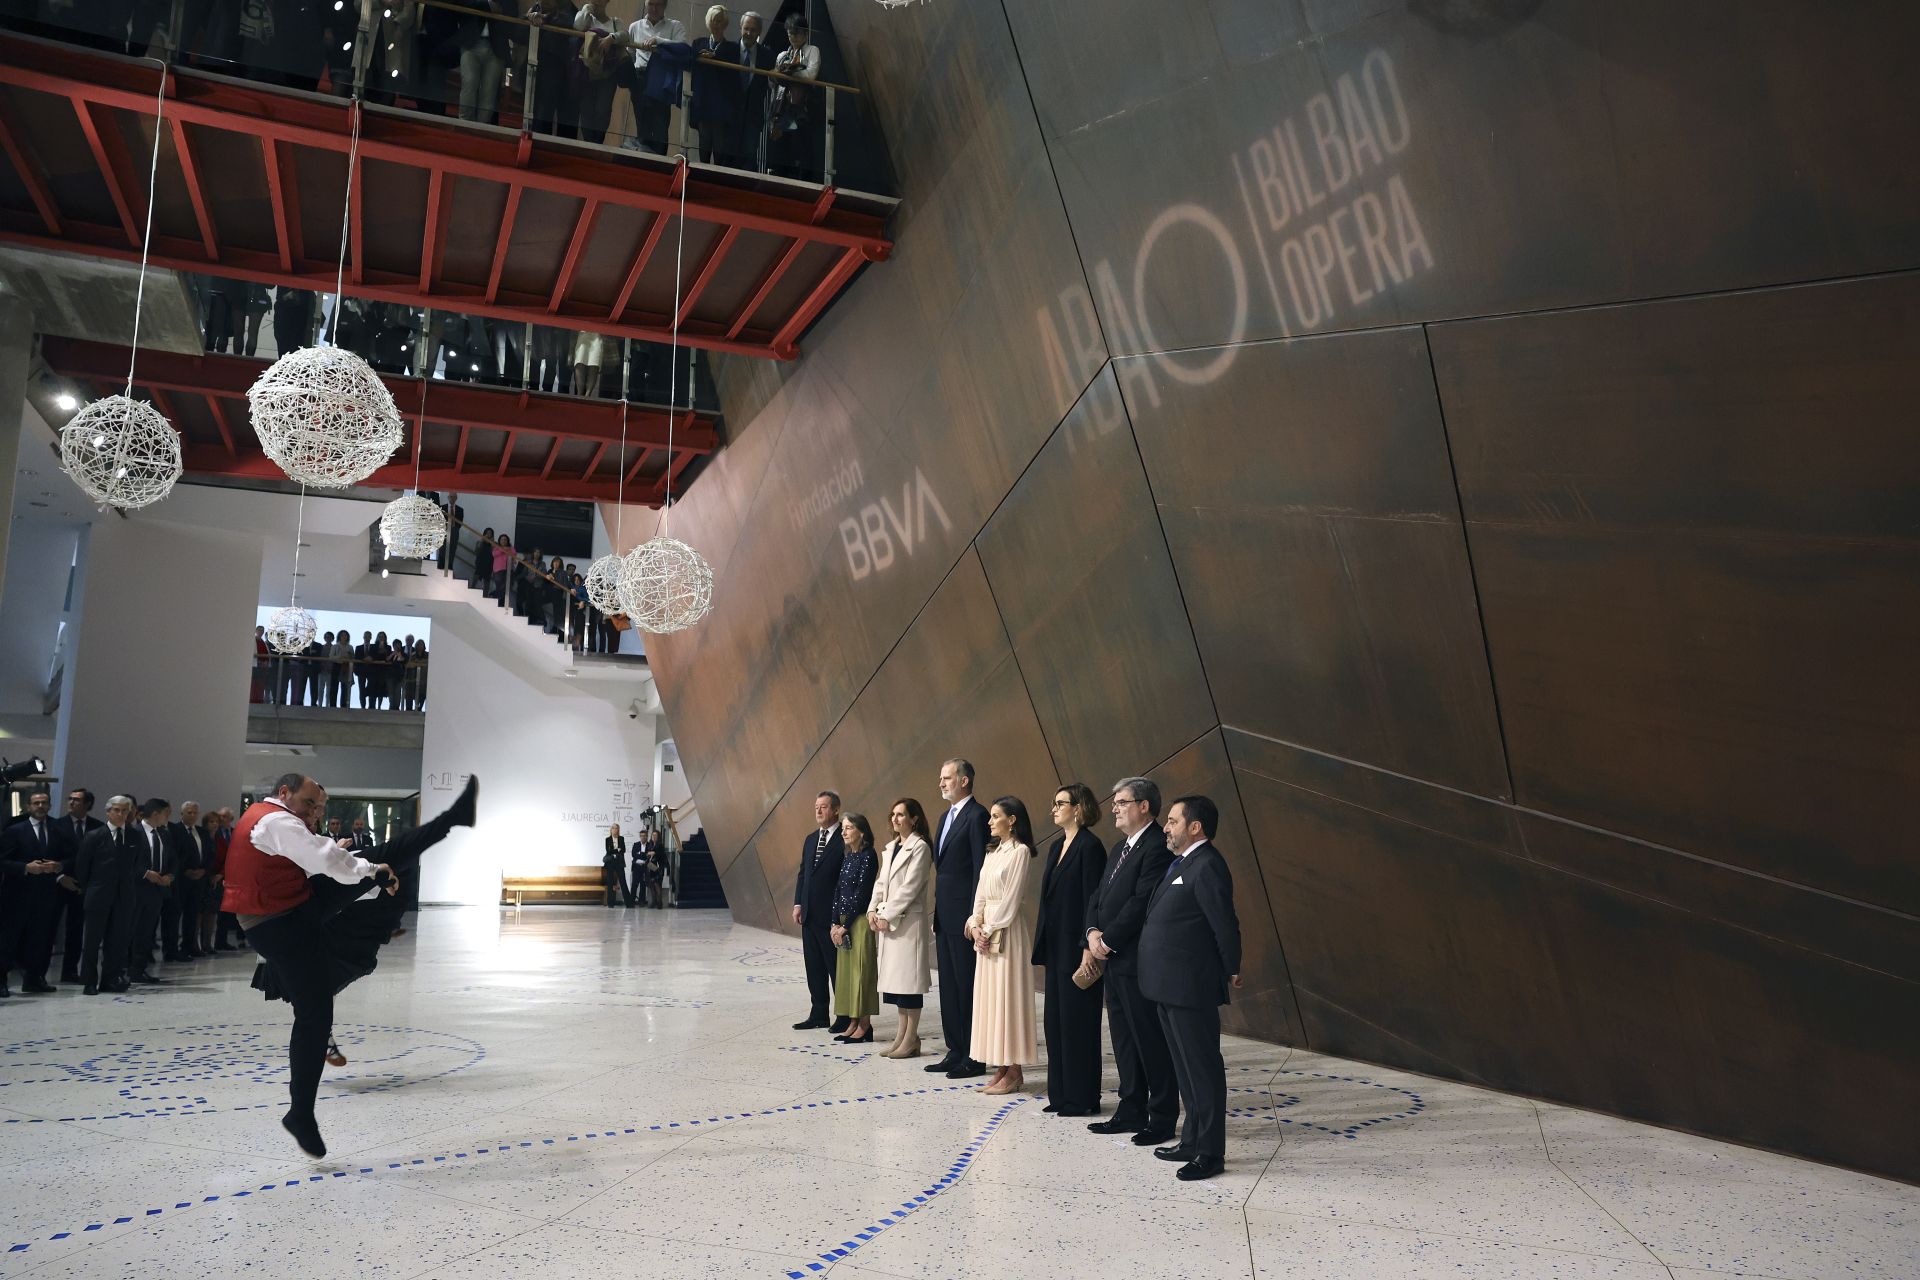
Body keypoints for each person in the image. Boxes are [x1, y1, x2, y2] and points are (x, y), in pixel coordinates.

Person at [224, 770, 479, 1158]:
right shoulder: (275, 820)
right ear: (284, 792)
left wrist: (366, 866)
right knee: (314, 1015)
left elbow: (313, 857)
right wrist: (367, 872)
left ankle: (450, 820)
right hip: (277, 923)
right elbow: (323, 858)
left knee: (383, 856)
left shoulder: (276, 821)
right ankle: (300, 1113)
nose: (314, 812)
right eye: (310, 804)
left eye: (320, 807)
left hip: (295, 906)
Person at [1139, 795, 1242, 1182]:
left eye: (1173, 821)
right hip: (1167, 984)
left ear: (1194, 827)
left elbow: (1224, 924)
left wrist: (1231, 967)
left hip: (1190, 985)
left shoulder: (1209, 865)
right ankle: (1191, 1139)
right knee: (1184, 1068)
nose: (1166, 827)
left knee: (1203, 1069)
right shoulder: (1183, 863)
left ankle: (1210, 1152)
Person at [1084, 776, 1180, 1145]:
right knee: (1124, 1039)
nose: (1114, 808)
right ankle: (1131, 1108)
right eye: (1115, 803)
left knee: (1149, 1040)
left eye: (1122, 802)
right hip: (1112, 957)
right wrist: (1093, 932)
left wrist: (1107, 939)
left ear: (1144, 806)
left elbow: (1140, 902)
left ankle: (1162, 1116)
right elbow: (1099, 895)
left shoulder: (1156, 847)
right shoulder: (1119, 848)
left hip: (1136, 959)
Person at [1034, 783, 1108, 1116]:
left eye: (1060, 803)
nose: (1054, 808)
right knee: (1056, 1023)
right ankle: (1061, 1095)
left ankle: (1082, 1098)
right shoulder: (1055, 846)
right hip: (1056, 948)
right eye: (1054, 802)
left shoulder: (1090, 847)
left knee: (1079, 1024)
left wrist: (1087, 949)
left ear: (1078, 808)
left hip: (1078, 948)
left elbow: (1093, 901)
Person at [965, 796, 1039, 1096]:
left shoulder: (1020, 852)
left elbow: (1011, 900)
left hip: (1007, 933)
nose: (990, 821)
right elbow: (981, 894)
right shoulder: (992, 852)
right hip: (986, 933)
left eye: (996, 816)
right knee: (991, 1000)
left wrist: (990, 929)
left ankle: (1015, 1069)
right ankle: (1001, 1066)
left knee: (1008, 998)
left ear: (1012, 820)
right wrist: (975, 924)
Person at [926, 758, 989, 1078]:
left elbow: (980, 870)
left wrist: (975, 916)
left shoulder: (978, 816)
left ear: (964, 781)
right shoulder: (944, 817)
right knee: (949, 986)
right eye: (941, 778)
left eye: (947, 777)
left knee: (966, 986)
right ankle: (955, 1048)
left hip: (965, 917)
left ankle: (974, 1055)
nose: (941, 783)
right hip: (945, 916)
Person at [867, 798, 932, 1058]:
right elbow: (881, 884)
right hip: (889, 922)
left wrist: (886, 914)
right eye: (893, 814)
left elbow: (910, 888)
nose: (895, 819)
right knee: (897, 985)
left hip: (907, 924)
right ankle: (902, 1035)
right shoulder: (891, 847)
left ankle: (911, 1037)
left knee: (909, 984)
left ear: (914, 819)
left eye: (901, 815)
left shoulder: (920, 847)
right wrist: (873, 909)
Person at [0, 790, 76, 995]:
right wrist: (25, 867)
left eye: (44, 803)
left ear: (50, 806)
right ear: (28, 806)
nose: (40, 806)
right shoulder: (15, 830)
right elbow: (3, 861)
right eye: (36, 803)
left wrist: (59, 866)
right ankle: (1, 981)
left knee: (41, 938)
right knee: (9, 939)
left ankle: (35, 979)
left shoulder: (58, 829)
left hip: (47, 894)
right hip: (17, 895)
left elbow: (71, 857)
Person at [72, 795, 140, 994]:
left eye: (124, 811)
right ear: (108, 812)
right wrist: (92, 887)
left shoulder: (134, 836)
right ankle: (89, 981)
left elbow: (135, 865)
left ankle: (110, 979)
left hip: (124, 897)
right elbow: (82, 867)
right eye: (116, 810)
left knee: (117, 941)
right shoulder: (94, 835)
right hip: (98, 895)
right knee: (92, 942)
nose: (120, 814)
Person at [790, 789, 845, 1031]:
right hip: (810, 915)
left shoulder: (845, 838)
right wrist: (798, 903)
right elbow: (804, 874)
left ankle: (843, 1015)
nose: (819, 811)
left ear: (835, 809)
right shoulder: (811, 839)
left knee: (835, 967)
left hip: (832, 917)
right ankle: (819, 1013)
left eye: (823, 807)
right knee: (814, 967)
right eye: (816, 807)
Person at [829, 811, 879, 1044]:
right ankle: (852, 1021)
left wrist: (845, 925)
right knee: (847, 975)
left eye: (848, 828)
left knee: (861, 973)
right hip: (843, 922)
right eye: (843, 828)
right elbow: (839, 890)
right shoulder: (848, 856)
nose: (844, 832)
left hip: (858, 922)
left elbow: (862, 894)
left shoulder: (869, 856)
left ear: (861, 831)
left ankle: (865, 1025)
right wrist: (834, 922)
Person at [126, 798, 177, 985]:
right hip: (137, 890)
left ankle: (138, 970)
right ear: (156, 814)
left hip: (156, 892)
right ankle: (121, 967)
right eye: (166, 813)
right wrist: (146, 873)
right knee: (130, 930)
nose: (168, 818)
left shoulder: (164, 834)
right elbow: (127, 862)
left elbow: (172, 859)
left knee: (146, 932)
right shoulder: (133, 833)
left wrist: (170, 876)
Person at [626, 0, 687, 155]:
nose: (653, 8)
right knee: (642, 124)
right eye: (650, 3)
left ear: (665, 5)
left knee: (661, 125)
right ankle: (643, 167)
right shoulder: (635, 26)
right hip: (640, 76)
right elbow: (630, 55)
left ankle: (660, 165)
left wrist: (658, 41)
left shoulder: (675, 26)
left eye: (658, 4)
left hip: (662, 79)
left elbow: (683, 48)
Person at [767, 19, 819, 180]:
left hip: (802, 106)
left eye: (797, 33)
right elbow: (772, 82)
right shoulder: (783, 55)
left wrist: (792, 72)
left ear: (805, 34)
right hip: (781, 105)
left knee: (801, 145)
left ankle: (801, 176)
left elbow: (811, 75)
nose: (794, 37)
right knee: (781, 146)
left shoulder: (812, 50)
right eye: (790, 34)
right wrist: (780, 72)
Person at [689, 6, 741, 165]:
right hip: (703, 100)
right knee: (704, 143)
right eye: (713, 20)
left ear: (725, 24)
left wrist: (715, 56)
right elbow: (691, 66)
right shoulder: (699, 43)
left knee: (719, 146)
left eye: (720, 21)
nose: (716, 24)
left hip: (722, 103)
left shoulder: (733, 48)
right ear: (708, 22)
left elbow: (733, 75)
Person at [571, 0, 623, 145]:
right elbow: (578, 26)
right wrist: (587, 8)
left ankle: (598, 142)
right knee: (586, 109)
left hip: (607, 73)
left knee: (603, 110)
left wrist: (611, 38)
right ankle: (588, 144)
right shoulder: (586, 18)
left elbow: (625, 35)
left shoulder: (615, 23)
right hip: (586, 71)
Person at [165, 800, 210, 959]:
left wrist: (203, 870)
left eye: (195, 813)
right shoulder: (174, 830)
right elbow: (173, 854)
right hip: (180, 881)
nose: (192, 815)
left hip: (198, 881)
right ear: (182, 813)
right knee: (174, 916)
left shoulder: (202, 832)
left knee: (192, 915)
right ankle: (171, 950)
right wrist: (185, 871)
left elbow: (208, 853)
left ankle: (189, 946)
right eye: (189, 812)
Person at [731, 10, 776, 171]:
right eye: (746, 28)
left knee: (749, 156)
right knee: (728, 155)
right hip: (730, 114)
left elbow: (774, 82)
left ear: (759, 32)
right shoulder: (729, 50)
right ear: (740, 28)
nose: (749, 33)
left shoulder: (768, 55)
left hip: (754, 115)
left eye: (753, 29)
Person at [196, 807, 227, 955]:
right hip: (202, 879)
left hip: (216, 881)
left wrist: (220, 875)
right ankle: (195, 944)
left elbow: (227, 860)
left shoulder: (220, 841)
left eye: (216, 822)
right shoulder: (201, 838)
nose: (214, 824)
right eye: (211, 822)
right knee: (199, 913)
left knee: (212, 913)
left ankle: (207, 944)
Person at [602, 823, 630, 908]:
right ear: (611, 830)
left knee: (623, 882)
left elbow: (623, 850)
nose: (615, 830)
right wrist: (617, 850)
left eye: (617, 828)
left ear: (618, 830)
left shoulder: (621, 839)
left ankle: (628, 903)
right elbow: (608, 851)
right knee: (610, 883)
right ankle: (610, 903)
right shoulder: (607, 839)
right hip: (610, 863)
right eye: (613, 828)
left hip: (619, 862)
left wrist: (615, 851)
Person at [490, 533, 514, 605]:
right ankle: (497, 600)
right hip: (498, 570)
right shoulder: (496, 547)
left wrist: (507, 549)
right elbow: (494, 554)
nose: (503, 541)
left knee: (506, 587)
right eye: (502, 539)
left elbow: (514, 553)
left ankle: (496, 597)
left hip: (509, 570)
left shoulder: (511, 548)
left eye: (505, 539)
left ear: (507, 541)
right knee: (499, 586)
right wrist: (503, 549)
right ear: (499, 541)